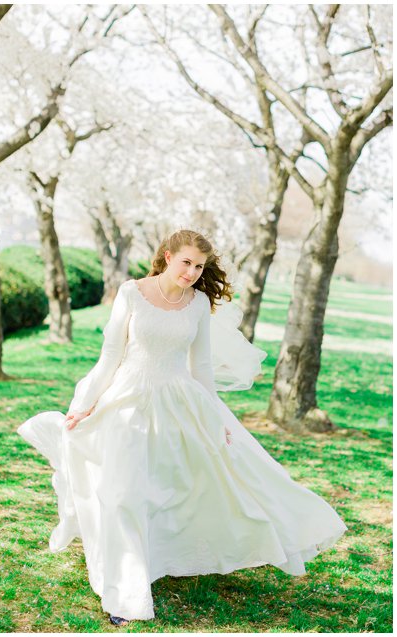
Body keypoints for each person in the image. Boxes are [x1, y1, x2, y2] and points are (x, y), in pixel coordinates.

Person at [18, 230, 347, 625]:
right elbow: (111, 355)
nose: (192, 272)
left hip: (179, 402)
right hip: (128, 400)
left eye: (199, 266)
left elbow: (202, 368)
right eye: (186, 262)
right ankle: (124, 592)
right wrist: (85, 405)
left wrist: (215, 418)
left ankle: (167, 556)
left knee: (174, 491)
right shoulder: (131, 293)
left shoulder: (199, 303)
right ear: (168, 256)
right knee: (122, 493)